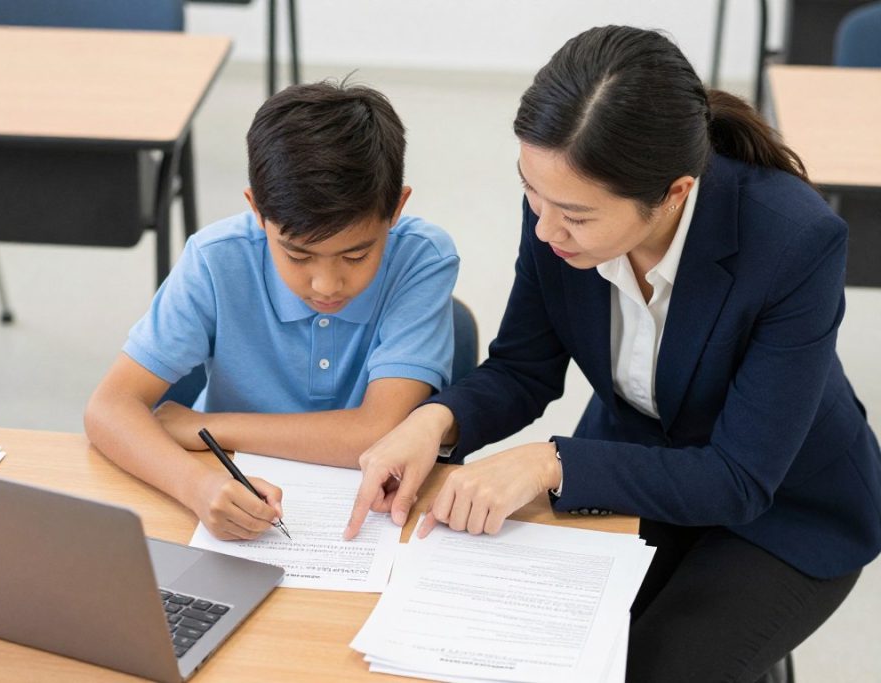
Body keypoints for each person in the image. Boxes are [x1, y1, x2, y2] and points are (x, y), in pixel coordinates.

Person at [343, 25, 881, 683]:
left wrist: (549, 459)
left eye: (573, 215)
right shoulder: (559, 201)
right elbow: (523, 366)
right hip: (637, 457)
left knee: (655, 667)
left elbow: (740, 478)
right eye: (531, 194)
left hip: (782, 507)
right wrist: (432, 423)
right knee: (539, 644)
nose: (544, 229)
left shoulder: (796, 241)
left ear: (674, 194)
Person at [86, 81, 459, 542]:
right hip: (230, 484)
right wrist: (197, 485)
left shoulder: (422, 259)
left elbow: (376, 433)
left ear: (396, 208)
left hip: (367, 510)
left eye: (356, 256)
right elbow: (108, 408)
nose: (326, 285)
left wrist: (205, 425)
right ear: (257, 211)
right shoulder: (215, 259)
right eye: (299, 257)